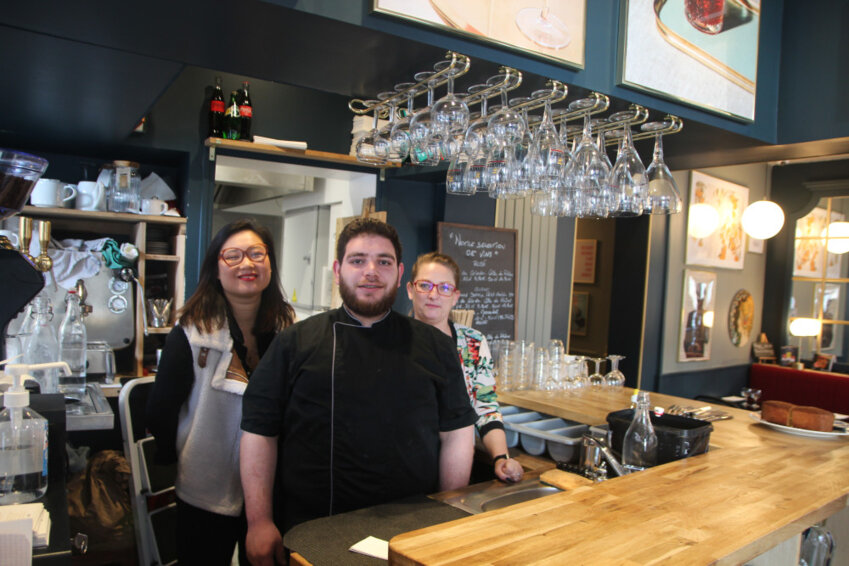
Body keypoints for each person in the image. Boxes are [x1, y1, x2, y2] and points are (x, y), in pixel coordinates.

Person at [240, 217, 476, 566]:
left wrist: (447, 511)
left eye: (383, 261)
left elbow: (457, 433)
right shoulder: (295, 342)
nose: (371, 271)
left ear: (399, 273)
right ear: (337, 270)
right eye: (357, 260)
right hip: (313, 527)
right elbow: (259, 432)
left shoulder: (435, 346)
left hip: (411, 528)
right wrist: (259, 521)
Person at [146, 219, 295, 566]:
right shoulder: (190, 334)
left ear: (270, 262)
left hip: (272, 487)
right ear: (215, 267)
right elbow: (160, 411)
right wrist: (175, 456)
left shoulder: (289, 331)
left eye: (258, 254)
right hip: (205, 481)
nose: (247, 264)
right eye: (233, 256)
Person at [407, 251, 524, 484]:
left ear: (456, 296)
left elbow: (486, 405)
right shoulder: (394, 341)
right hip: (407, 463)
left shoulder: (472, 342)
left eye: (444, 288)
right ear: (410, 290)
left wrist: (501, 457)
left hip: (458, 465)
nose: (433, 294)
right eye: (425, 285)